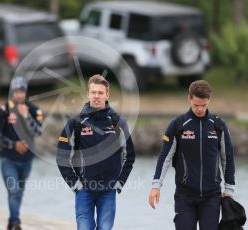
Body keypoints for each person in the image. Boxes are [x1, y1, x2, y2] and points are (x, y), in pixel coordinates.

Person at [149, 80, 236, 230]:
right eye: (196, 105)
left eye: (203, 105)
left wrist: (229, 190)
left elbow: (227, 158)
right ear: (189, 98)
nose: (200, 109)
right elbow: (165, 156)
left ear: (209, 99)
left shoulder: (219, 125)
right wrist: (156, 185)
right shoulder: (177, 125)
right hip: (184, 196)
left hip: (211, 197)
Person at [56, 74, 135, 230]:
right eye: (93, 92)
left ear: (107, 95)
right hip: (84, 189)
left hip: (108, 190)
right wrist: (75, 184)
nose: (96, 96)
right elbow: (61, 156)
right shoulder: (75, 122)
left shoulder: (118, 122)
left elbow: (130, 155)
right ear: (88, 94)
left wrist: (119, 183)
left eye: (100, 93)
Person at [0, 76, 43, 230]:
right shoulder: (2, 110)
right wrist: (13, 145)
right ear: (12, 92)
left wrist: (26, 116)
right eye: (16, 91)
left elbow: (38, 131)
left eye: (22, 91)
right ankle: (15, 222)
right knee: (13, 190)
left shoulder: (34, 110)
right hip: (8, 159)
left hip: (27, 160)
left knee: (18, 192)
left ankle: (11, 222)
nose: (19, 94)